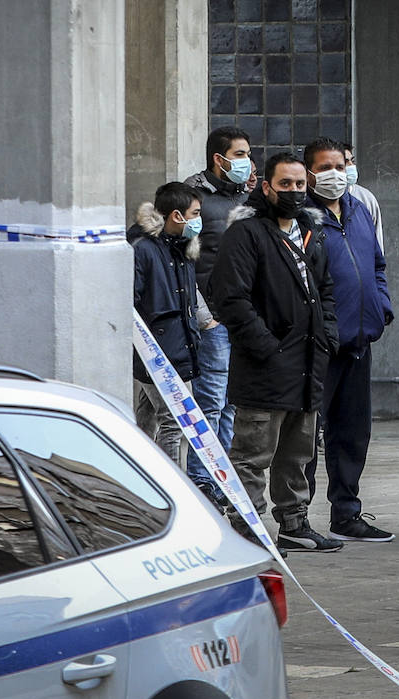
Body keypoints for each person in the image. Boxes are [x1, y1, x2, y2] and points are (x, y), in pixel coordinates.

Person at [209, 152, 341, 554]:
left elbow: (327, 291)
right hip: (264, 368)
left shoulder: (310, 233)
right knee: (252, 454)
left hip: (307, 366)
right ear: (266, 187)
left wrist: (327, 337)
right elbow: (229, 298)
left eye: (300, 185)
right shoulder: (246, 234)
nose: (294, 192)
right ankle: (247, 529)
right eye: (285, 184)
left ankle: (294, 524)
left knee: (298, 453)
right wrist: (266, 346)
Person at [302, 138, 394, 542]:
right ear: (309, 173)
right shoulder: (303, 219)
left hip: (359, 339)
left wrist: (382, 305)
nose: (335, 175)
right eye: (325, 168)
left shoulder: (359, 209)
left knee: (352, 432)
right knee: (306, 434)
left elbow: (376, 263)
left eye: (340, 165)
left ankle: (347, 512)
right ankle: (296, 517)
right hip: (318, 344)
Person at [182, 126, 256, 506]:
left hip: (241, 317)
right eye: (241, 154)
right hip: (212, 322)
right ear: (219, 158)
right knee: (210, 403)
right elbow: (180, 261)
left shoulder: (246, 197)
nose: (248, 162)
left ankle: (221, 475)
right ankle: (201, 481)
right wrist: (203, 316)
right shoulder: (194, 198)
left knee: (232, 404)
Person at [132, 182, 213, 463]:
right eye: (196, 213)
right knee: (176, 422)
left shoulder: (182, 248)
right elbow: (130, 302)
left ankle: (140, 477)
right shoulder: (144, 250)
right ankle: (174, 487)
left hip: (177, 346)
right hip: (157, 353)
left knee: (146, 420)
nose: (199, 219)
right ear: (177, 216)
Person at [344, 143, 384, 251]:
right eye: (345, 162)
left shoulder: (366, 198)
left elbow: (377, 241)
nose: (351, 165)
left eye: (352, 161)